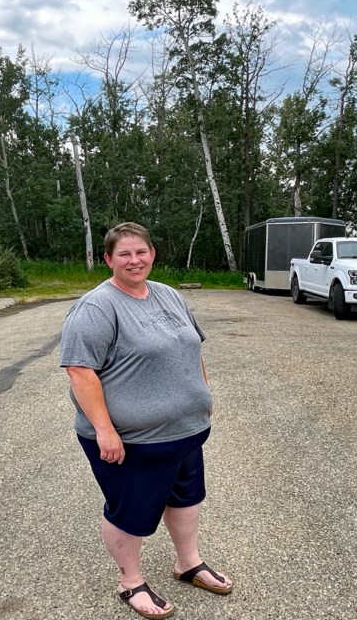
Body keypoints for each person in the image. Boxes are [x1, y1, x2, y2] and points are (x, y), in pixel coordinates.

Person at [60, 222, 233, 619]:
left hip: (186, 432)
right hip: (131, 440)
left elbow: (193, 349)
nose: (134, 260)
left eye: (141, 252)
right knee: (131, 511)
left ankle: (188, 563)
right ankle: (130, 582)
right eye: (124, 254)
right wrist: (105, 430)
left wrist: (202, 394)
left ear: (152, 253)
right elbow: (79, 372)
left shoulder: (170, 296)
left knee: (187, 498)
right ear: (108, 259)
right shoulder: (96, 308)